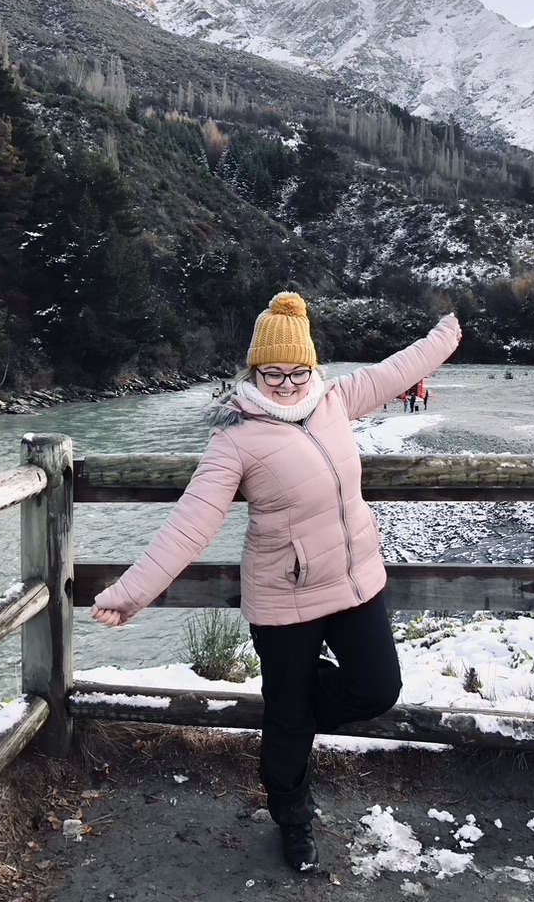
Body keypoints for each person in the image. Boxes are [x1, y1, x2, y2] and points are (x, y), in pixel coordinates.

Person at [91, 291, 462, 874]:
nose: (286, 385)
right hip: (285, 601)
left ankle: (292, 701)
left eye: (296, 372)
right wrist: (133, 592)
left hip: (356, 582)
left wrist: (446, 333)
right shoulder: (234, 438)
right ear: (252, 370)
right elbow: (192, 522)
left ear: (313, 368)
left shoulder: (335, 398)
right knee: (288, 720)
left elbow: (400, 369)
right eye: (272, 373)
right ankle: (293, 819)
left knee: (376, 688)